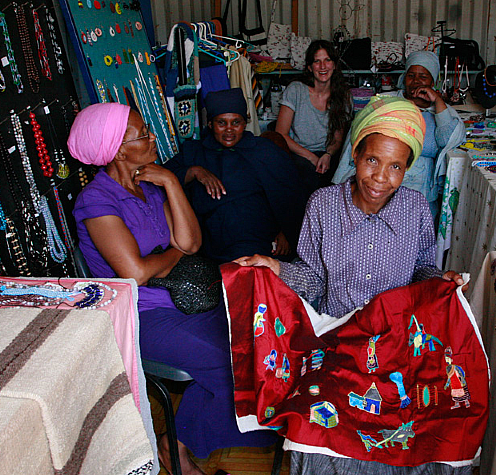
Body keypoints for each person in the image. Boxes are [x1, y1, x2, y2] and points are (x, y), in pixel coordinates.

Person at [69, 103, 276, 475]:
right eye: (143, 135)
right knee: (232, 363)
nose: (152, 139)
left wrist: (170, 182)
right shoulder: (97, 201)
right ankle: (177, 446)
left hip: (186, 301)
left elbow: (192, 243)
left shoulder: (150, 187)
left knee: (256, 343)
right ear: (118, 150)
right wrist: (173, 253)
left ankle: (179, 440)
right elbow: (135, 273)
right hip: (143, 315)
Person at [236, 95, 465, 318]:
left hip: (393, 335)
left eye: (395, 166)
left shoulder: (415, 208)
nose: (380, 178)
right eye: (372, 160)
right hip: (337, 335)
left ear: (407, 168)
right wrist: (276, 269)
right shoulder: (323, 205)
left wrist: (439, 281)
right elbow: (313, 277)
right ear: (355, 155)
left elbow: (421, 269)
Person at [164, 88, 306, 264]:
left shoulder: (265, 151)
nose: (229, 130)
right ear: (210, 124)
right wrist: (194, 171)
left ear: (245, 123)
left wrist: (286, 232)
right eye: (221, 123)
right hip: (211, 246)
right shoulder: (194, 152)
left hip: (262, 245)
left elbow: (294, 196)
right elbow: (163, 178)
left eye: (236, 122)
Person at [333, 50, 466, 220]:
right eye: (411, 75)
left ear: (433, 81)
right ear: (404, 78)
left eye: (423, 76)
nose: (416, 81)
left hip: (421, 189)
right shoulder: (387, 103)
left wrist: (437, 101)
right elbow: (360, 136)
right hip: (381, 180)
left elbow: (448, 140)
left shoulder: (440, 111)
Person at [275, 40, 352, 191]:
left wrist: (328, 155)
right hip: (300, 153)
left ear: (334, 65)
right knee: (306, 177)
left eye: (327, 60)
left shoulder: (343, 95)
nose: (323, 67)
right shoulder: (296, 90)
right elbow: (280, 133)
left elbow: (338, 138)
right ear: (310, 67)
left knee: (341, 178)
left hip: (328, 154)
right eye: (317, 61)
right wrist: (311, 157)